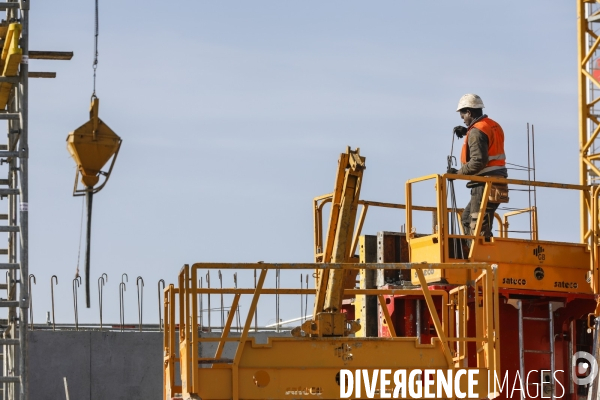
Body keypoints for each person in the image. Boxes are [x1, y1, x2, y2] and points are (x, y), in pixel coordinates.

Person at [447, 94, 508, 238]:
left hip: (485, 184)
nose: (464, 120)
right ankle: (479, 255)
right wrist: (467, 131)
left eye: (463, 117)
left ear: (469, 112)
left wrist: (457, 173)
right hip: (498, 181)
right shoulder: (493, 125)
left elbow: (478, 161)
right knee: (470, 219)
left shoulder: (476, 131)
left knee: (476, 225)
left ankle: (480, 257)